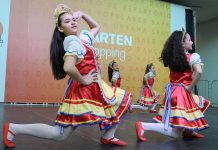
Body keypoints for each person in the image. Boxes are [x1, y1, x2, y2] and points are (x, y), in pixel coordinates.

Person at [3, 4, 132, 148]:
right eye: (67, 21)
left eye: (73, 19)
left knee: (122, 100)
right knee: (59, 134)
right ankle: (14, 128)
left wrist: (82, 14)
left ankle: (108, 136)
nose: (73, 22)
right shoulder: (73, 42)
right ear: (60, 28)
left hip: (96, 87)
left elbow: (96, 27)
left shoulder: (83, 38)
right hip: (83, 90)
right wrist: (84, 80)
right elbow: (68, 67)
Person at [135, 30, 210, 142]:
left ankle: (188, 131)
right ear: (182, 44)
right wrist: (190, 88)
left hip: (173, 92)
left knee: (201, 102)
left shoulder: (173, 59)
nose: (192, 42)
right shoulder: (191, 57)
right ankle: (143, 126)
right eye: (189, 40)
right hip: (182, 93)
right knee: (175, 133)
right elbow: (199, 72)